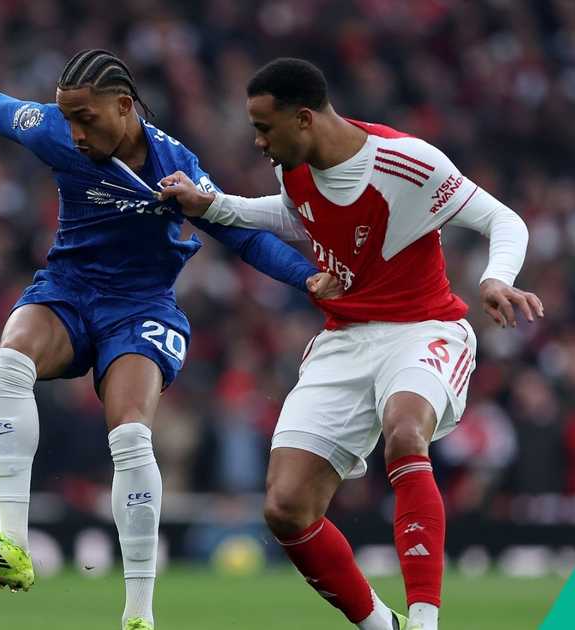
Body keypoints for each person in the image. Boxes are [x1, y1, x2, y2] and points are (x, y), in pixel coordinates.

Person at [0, 47, 339, 630]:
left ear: (125, 107)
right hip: (69, 292)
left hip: (139, 309)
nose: (75, 132)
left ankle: (137, 615)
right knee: (10, 358)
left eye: (87, 118)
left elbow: (242, 236)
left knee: (129, 431)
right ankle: (13, 544)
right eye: (68, 117)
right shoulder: (53, 132)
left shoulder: (173, 167)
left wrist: (307, 278)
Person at [157, 58, 544, 630]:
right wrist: (210, 203)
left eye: (266, 127)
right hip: (345, 338)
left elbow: (503, 220)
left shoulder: (407, 162)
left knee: (406, 430)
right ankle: (380, 626)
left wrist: (495, 278)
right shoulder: (294, 168)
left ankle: (424, 620)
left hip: (423, 329)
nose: (259, 141)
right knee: (286, 509)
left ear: (305, 118)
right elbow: (295, 219)